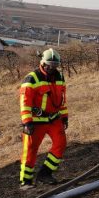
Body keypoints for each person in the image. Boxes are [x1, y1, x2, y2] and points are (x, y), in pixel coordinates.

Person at [19, 48, 68, 189]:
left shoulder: (60, 77)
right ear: (43, 63)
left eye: (55, 65)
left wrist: (64, 117)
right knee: (30, 149)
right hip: (35, 122)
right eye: (49, 65)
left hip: (54, 119)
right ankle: (26, 181)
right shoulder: (32, 78)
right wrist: (27, 122)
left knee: (61, 144)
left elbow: (62, 99)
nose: (52, 68)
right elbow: (25, 102)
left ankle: (45, 173)